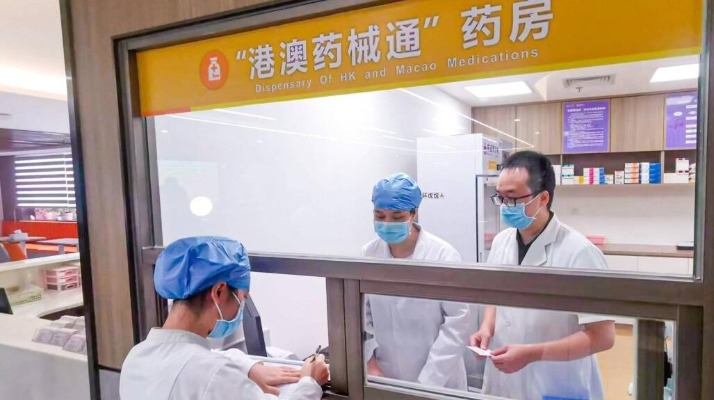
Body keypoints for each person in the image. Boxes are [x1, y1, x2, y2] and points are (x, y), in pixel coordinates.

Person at [469, 151, 615, 400]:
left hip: (555, 382)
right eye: (500, 197)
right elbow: (496, 296)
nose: (504, 206)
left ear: (543, 198)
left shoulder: (579, 252)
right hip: (505, 377)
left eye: (512, 198)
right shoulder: (502, 241)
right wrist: (486, 327)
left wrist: (532, 354)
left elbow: (602, 337)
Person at [120, 236, 329, 399]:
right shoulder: (214, 374)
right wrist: (309, 382)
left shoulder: (136, 358)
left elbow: (197, 359)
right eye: (242, 298)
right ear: (219, 291)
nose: (241, 307)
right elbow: (210, 372)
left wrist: (248, 367)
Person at [362, 173, 478, 390]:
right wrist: (370, 360)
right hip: (385, 375)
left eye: (397, 217)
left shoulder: (442, 256)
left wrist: (428, 382)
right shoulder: (368, 254)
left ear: (414, 213)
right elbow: (364, 317)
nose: (387, 223)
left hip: (439, 379)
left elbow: (457, 324)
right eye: (379, 215)